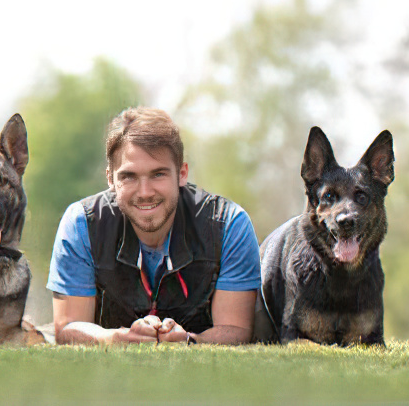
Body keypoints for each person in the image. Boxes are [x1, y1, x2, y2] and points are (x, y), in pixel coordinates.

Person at [47, 107, 261, 345]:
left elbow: (236, 329)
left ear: (181, 174)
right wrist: (115, 338)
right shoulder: (81, 223)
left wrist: (189, 341)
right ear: (110, 179)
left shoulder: (229, 224)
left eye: (158, 174)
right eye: (129, 177)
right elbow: (67, 327)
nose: (145, 192)